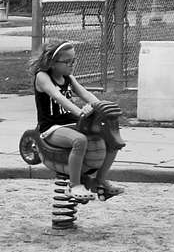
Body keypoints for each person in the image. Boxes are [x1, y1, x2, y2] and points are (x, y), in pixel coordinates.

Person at [30, 38, 124, 204]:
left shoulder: (68, 78)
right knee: (79, 141)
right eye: (67, 61)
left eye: (73, 60)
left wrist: (100, 109)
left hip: (71, 123)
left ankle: (99, 181)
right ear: (52, 62)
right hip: (51, 128)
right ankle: (74, 185)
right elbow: (58, 97)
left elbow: (86, 94)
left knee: (110, 139)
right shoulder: (42, 77)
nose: (71, 65)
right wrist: (81, 113)